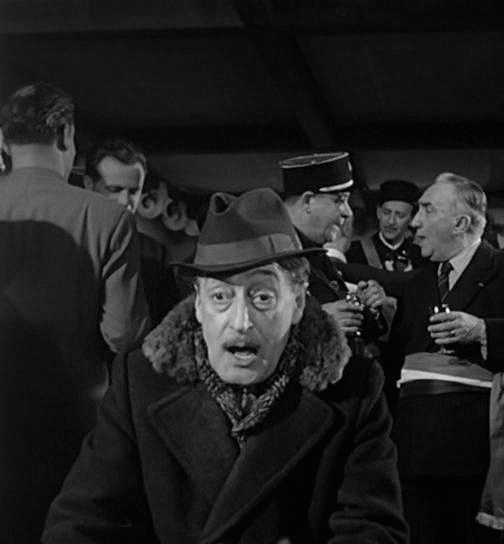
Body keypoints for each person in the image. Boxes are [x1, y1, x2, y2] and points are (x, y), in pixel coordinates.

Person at [43, 188, 408, 544]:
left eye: (262, 297)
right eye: (220, 297)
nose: (241, 322)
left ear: (297, 303)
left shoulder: (354, 390)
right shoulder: (141, 383)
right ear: (198, 304)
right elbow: (82, 520)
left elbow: (373, 527)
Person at [0, 82, 149, 543]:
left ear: (4, 140)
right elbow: (125, 335)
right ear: (66, 135)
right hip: (74, 426)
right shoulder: (107, 218)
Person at [388, 172, 504, 544]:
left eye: (427, 210)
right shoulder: (417, 284)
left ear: (461, 223)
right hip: (412, 450)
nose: (415, 222)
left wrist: (482, 331)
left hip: (477, 452)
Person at [279, 152, 394, 351]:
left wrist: (367, 306)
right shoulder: (270, 254)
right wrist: (318, 321)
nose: (347, 212)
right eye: (339, 200)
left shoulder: (315, 254)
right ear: (308, 201)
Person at [85, 138, 181, 325]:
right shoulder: (67, 243)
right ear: (89, 185)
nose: (124, 202)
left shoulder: (155, 253)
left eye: (133, 192)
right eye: (114, 190)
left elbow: (168, 324)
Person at [346, 179, 427, 272]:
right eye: (386, 213)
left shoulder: (421, 255)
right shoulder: (355, 252)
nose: (391, 221)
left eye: (400, 215)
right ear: (378, 212)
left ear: (411, 219)